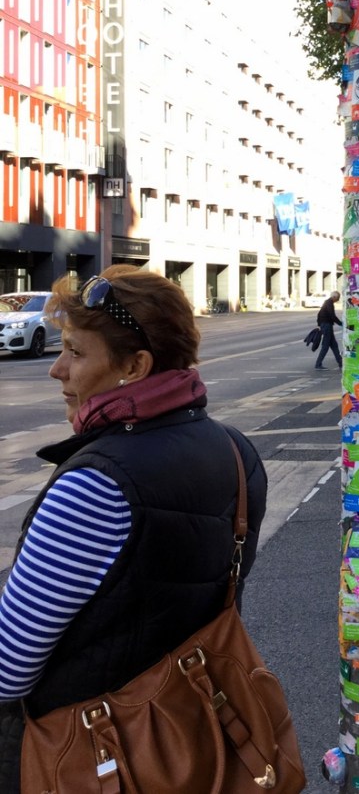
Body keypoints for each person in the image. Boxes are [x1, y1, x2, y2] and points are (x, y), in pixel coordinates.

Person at [0, 266, 267, 793]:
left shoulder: (97, 485)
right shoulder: (235, 450)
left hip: (92, 755)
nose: (56, 369)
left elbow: (9, 666)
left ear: (135, 366)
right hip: (193, 727)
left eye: (75, 352)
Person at [315, 290, 343, 369]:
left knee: (334, 345)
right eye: (338, 298)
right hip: (327, 326)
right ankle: (318, 364)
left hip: (326, 325)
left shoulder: (327, 302)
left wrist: (319, 324)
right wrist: (340, 323)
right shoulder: (329, 303)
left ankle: (340, 363)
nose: (338, 299)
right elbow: (332, 315)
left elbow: (319, 314)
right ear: (334, 297)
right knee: (325, 346)